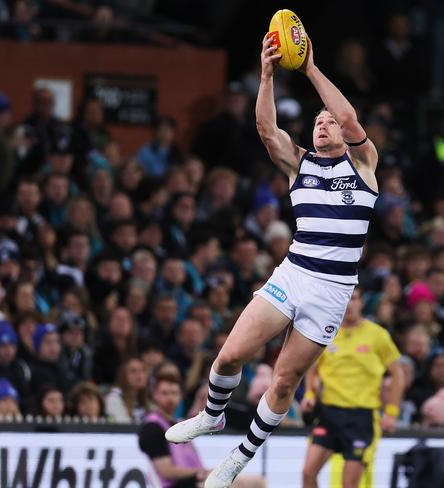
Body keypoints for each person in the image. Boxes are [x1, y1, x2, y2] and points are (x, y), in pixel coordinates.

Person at [165, 34, 379, 488]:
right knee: (229, 357)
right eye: (318, 121)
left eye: (329, 122)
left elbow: (346, 114)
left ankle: (238, 459)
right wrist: (266, 75)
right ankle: (212, 415)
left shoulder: (363, 166)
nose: (324, 124)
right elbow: (266, 129)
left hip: (332, 291)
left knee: (283, 383)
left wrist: (309, 69)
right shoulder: (299, 164)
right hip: (295, 274)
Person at [301, 287, 404, 488]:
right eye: (345, 299)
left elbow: (398, 374)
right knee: (307, 473)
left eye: (354, 299)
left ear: (361, 303)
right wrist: (310, 393)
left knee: (349, 484)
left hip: (361, 417)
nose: (349, 304)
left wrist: (391, 412)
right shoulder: (327, 332)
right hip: (328, 414)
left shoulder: (377, 335)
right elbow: (311, 368)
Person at [139, 372, 265, 488]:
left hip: (193, 480)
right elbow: (165, 470)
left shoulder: (178, 423)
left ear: (181, 396)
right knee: (250, 483)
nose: (170, 398)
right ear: (154, 395)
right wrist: (201, 472)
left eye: (174, 393)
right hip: (178, 485)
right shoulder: (152, 427)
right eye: (165, 393)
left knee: (256, 482)